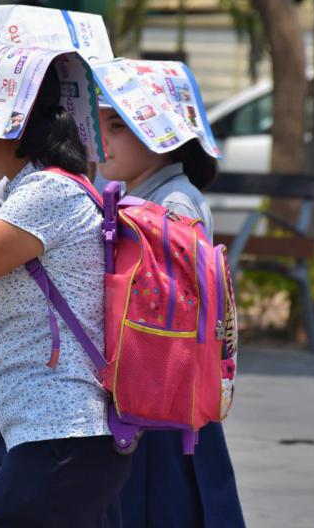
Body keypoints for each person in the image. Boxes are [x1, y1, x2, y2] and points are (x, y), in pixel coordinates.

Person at [0, 66, 131, 526]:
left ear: (13, 122)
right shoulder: (27, 189)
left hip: (62, 436)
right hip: (48, 433)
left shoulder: (49, 193)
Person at [96, 102, 245, 528]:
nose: (103, 139)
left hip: (163, 386)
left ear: (159, 135)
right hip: (156, 386)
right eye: (100, 125)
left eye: (117, 126)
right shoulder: (139, 194)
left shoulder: (175, 205)